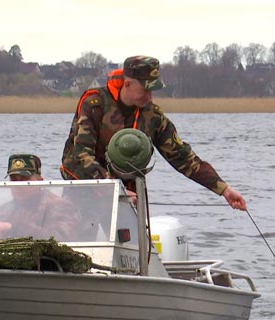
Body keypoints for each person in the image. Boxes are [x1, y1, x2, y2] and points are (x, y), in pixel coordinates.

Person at [60, 55, 247, 211]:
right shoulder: (94, 104)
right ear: (128, 84)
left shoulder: (152, 115)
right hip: (83, 187)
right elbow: (81, 154)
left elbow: (184, 158)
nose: (150, 96)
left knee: (138, 246)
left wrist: (224, 189)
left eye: (153, 90)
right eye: (145, 90)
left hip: (127, 192)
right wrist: (112, 188)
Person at [0, 154, 81, 241]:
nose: (18, 185)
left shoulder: (61, 207)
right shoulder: (1, 212)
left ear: (40, 181)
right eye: (14, 180)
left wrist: (13, 228)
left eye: (25, 180)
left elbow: (61, 240)